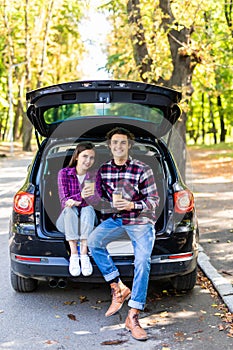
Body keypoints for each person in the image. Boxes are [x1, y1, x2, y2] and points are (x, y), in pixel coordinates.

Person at [88, 127, 160, 341]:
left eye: (123, 142)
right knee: (93, 241)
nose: (118, 146)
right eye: (115, 143)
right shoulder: (103, 170)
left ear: (129, 145)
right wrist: (89, 197)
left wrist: (131, 204)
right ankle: (117, 287)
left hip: (140, 221)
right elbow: (97, 200)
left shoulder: (142, 169)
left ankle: (133, 315)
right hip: (116, 219)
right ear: (109, 146)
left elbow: (154, 201)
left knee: (142, 261)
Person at [56, 142, 99, 277]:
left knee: (89, 209)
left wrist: (81, 200)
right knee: (69, 210)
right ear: (76, 157)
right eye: (85, 156)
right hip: (66, 222)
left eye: (91, 158)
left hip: (87, 221)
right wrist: (81, 196)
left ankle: (84, 254)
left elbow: (97, 201)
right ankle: (74, 255)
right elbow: (64, 201)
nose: (88, 161)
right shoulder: (64, 173)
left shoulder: (94, 176)